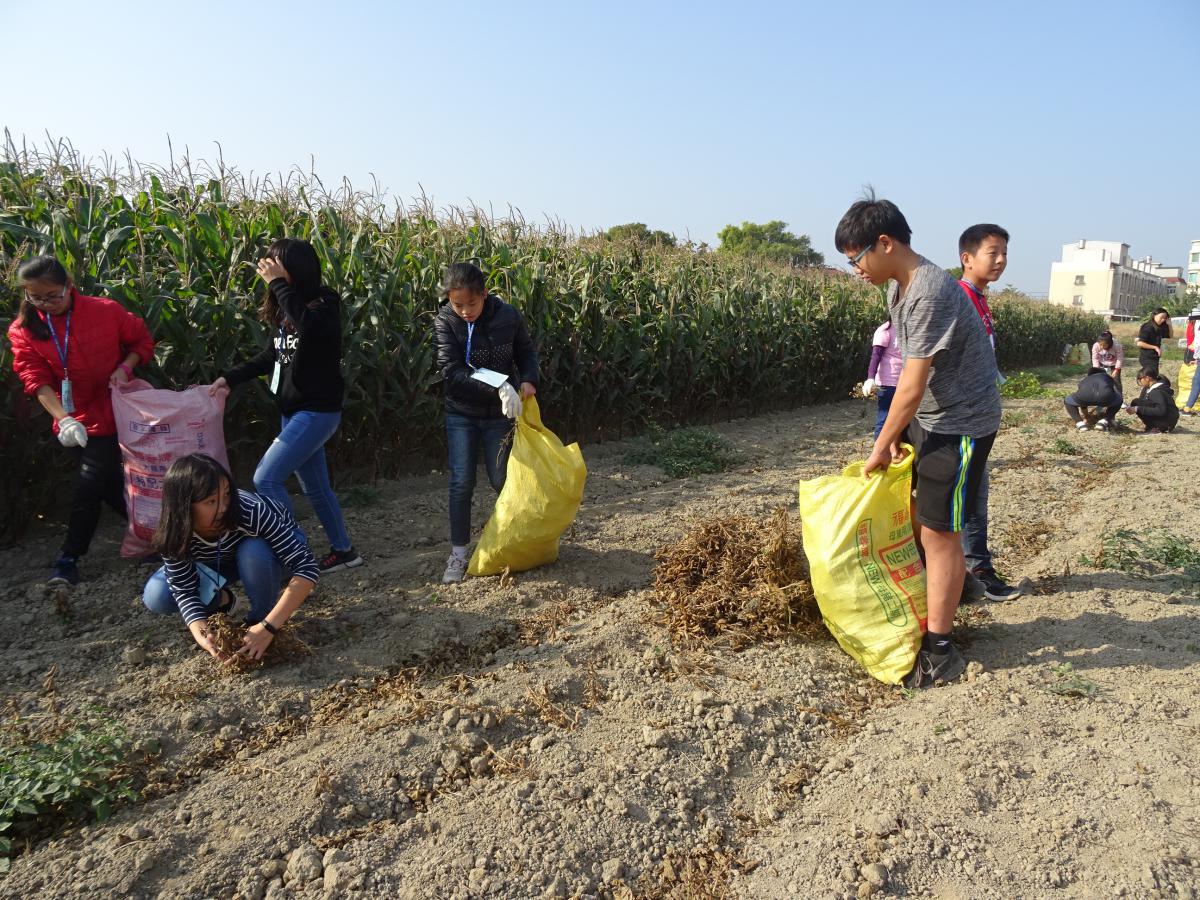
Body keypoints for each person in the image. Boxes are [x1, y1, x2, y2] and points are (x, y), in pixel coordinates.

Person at [836, 193, 1001, 689]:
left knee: (939, 531)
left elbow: (909, 384)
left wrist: (880, 444)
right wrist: (902, 433)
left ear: (884, 243)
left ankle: (942, 650)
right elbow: (910, 376)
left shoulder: (928, 290)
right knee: (920, 510)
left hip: (962, 422)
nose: (855, 269)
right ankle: (961, 587)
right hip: (932, 415)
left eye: (856, 258)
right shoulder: (899, 288)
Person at [210, 239, 361, 574]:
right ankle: (345, 551)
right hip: (293, 411)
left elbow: (309, 327)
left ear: (296, 268)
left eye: (277, 264)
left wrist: (278, 284)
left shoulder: (325, 304)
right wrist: (230, 378)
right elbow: (271, 356)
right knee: (316, 487)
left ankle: (293, 552)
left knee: (266, 478)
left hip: (317, 411)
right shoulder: (284, 308)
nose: (269, 269)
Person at [7, 256, 155, 586]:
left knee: (90, 485)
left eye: (52, 296)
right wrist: (64, 419)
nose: (44, 304)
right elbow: (34, 378)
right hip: (73, 421)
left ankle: (69, 558)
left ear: (69, 286)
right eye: (35, 297)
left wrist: (125, 368)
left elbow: (141, 341)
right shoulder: (23, 329)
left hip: (115, 409)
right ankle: (154, 541)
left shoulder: (105, 310)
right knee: (108, 487)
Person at [142, 453, 319, 661]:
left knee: (253, 549)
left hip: (275, 552)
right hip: (222, 560)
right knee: (158, 595)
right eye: (210, 501)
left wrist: (268, 626)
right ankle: (224, 600)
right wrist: (201, 633)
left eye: (226, 494)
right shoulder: (174, 530)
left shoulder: (250, 510)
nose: (224, 507)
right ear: (184, 506)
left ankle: (259, 617)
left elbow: (307, 566)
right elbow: (183, 588)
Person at [433, 262, 539, 584]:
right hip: (462, 414)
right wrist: (500, 385)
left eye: (472, 304)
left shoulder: (508, 316)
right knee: (461, 483)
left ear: (485, 295)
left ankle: (511, 542)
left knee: (501, 479)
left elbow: (526, 352)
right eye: (457, 304)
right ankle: (459, 553)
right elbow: (450, 371)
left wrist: (529, 380)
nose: (465, 311)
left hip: (499, 415)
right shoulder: (446, 322)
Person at [956, 224, 1022, 602]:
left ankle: (974, 571)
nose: (1001, 261)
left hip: (978, 415)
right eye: (992, 253)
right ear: (967, 258)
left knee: (973, 494)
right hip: (961, 418)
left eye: (1004, 254)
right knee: (967, 497)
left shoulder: (979, 298)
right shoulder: (959, 298)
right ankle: (975, 573)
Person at [863, 318, 902, 438]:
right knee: (884, 419)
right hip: (888, 384)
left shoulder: (908, 329)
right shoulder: (885, 331)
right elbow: (876, 356)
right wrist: (870, 378)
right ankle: (880, 452)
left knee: (903, 420)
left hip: (905, 383)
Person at [1126, 367, 1179, 434]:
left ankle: (1156, 428)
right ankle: (1152, 426)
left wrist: (1137, 409)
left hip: (1166, 422)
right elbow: (1142, 401)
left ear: (1147, 378)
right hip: (1168, 421)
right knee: (1136, 402)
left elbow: (1161, 410)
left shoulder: (1156, 392)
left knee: (1137, 404)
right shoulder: (1149, 388)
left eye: (1140, 379)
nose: (1139, 381)